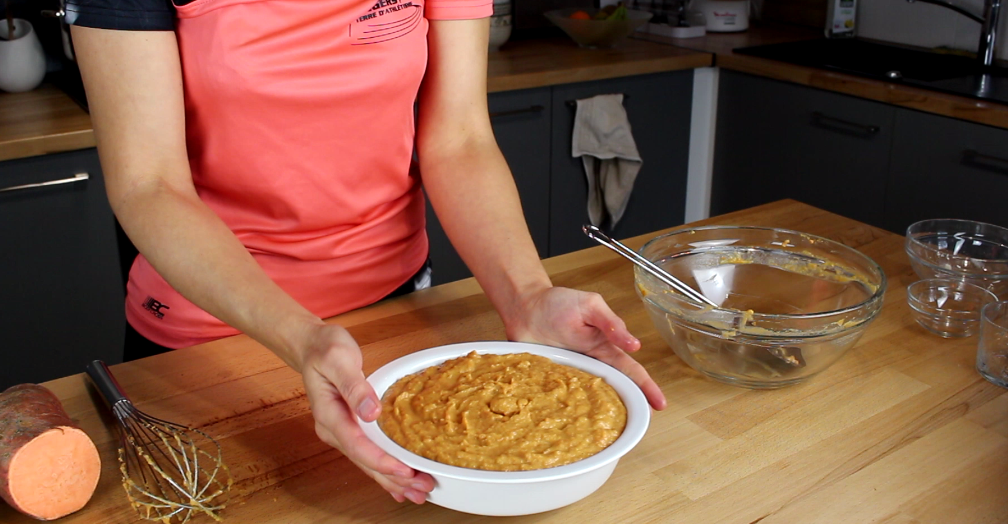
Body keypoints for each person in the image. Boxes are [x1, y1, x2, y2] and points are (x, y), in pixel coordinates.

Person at [66, 0, 667, 505]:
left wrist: (528, 295)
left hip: (396, 314)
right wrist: (303, 337)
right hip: (214, 337)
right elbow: (150, 185)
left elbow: (458, 137)